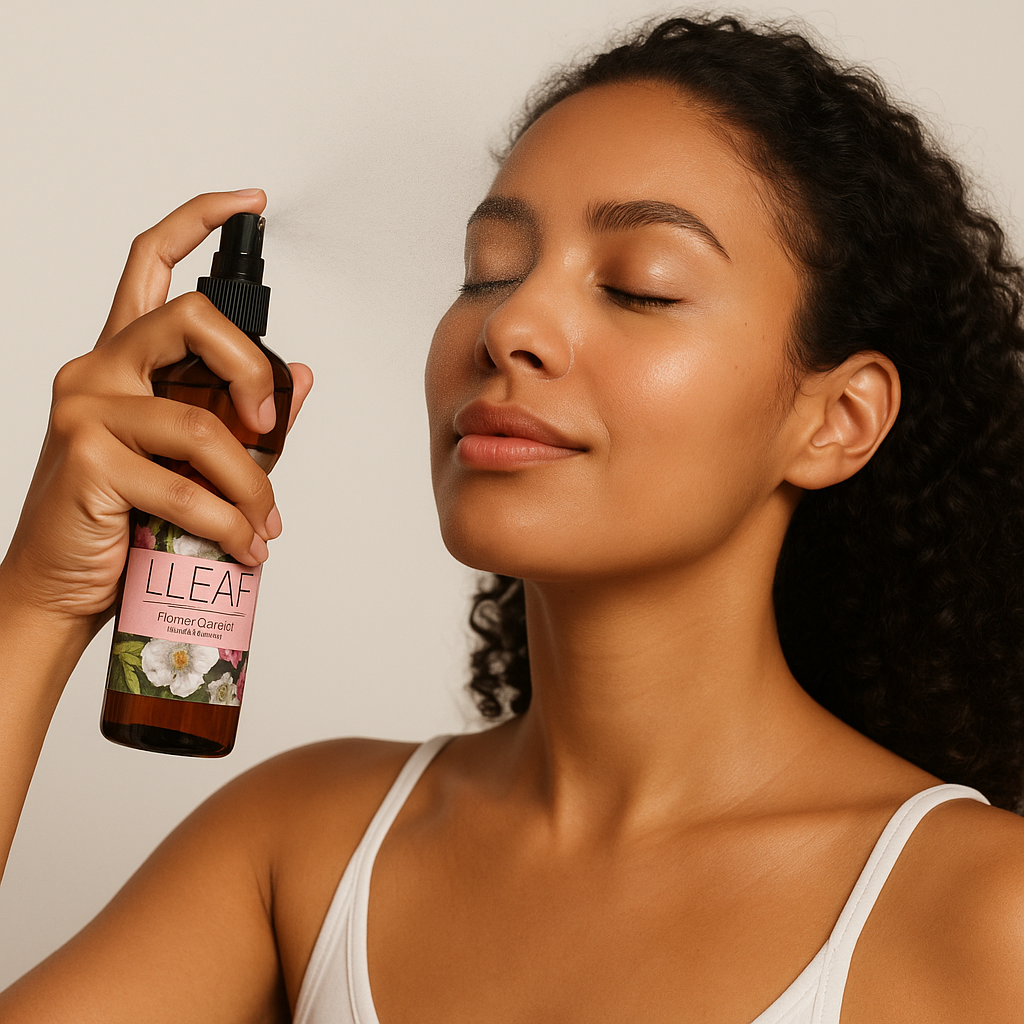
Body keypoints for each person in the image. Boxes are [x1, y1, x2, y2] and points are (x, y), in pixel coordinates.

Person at [2, 12, 1024, 1022]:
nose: (511, 325)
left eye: (639, 287)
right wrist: (37, 604)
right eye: (488, 271)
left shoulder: (982, 913)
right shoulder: (300, 849)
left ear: (836, 421)